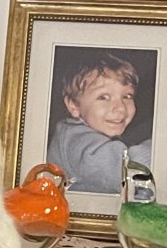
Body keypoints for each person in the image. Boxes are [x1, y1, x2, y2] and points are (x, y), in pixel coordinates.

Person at [47, 52, 152, 193]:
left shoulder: (91, 132)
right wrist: (162, 148)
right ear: (73, 105)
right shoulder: (76, 141)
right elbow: (130, 172)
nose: (120, 108)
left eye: (127, 96)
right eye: (103, 97)